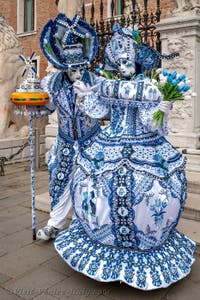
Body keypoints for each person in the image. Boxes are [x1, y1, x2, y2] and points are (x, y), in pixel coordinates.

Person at [54, 24, 196, 290]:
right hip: (109, 143)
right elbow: (102, 111)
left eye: (128, 54)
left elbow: (150, 122)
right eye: (118, 54)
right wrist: (86, 99)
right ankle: (102, 241)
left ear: (137, 57)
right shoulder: (109, 84)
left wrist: (162, 109)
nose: (123, 60)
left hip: (145, 144)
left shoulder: (147, 85)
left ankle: (145, 244)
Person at [36, 13, 100, 240]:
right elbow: (48, 108)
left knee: (93, 185)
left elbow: (105, 110)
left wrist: (90, 98)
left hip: (92, 141)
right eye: (72, 70)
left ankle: (91, 227)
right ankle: (55, 224)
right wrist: (36, 110)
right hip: (65, 141)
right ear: (64, 66)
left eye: (80, 69)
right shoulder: (53, 83)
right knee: (60, 180)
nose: (77, 74)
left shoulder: (95, 81)